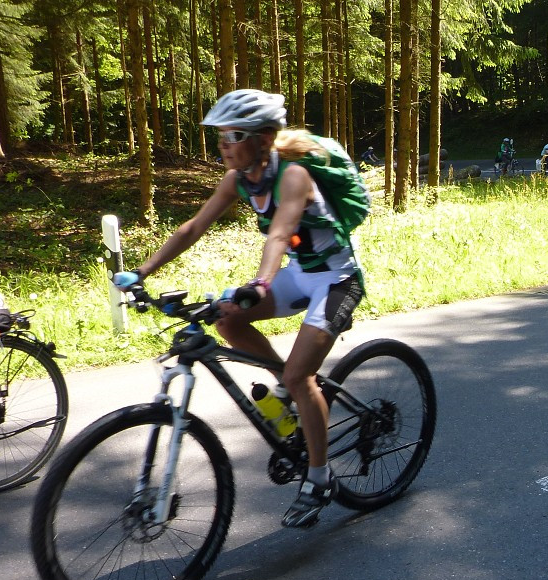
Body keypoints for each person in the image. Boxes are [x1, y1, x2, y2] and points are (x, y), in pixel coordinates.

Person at [112, 89, 368, 529]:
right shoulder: (238, 178)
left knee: (298, 374)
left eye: (233, 135)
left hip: (337, 279)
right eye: (219, 137)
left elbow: (279, 233)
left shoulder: (293, 177)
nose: (223, 145)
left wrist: (261, 282)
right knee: (228, 318)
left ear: (264, 138)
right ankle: (289, 394)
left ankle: (320, 477)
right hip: (300, 273)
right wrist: (141, 271)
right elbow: (194, 226)